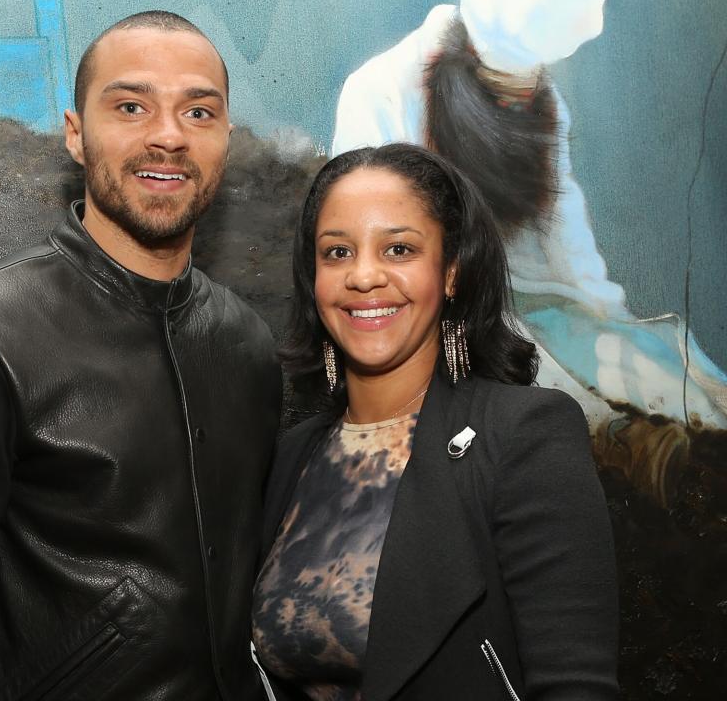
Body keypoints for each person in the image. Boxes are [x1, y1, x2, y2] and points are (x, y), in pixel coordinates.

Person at [0, 11, 281, 700]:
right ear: (75, 133)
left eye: (199, 111)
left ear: (224, 141)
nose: (167, 135)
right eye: (130, 106)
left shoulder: (247, 342)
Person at [251, 144, 618, 700]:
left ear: (450, 272)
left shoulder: (523, 435)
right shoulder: (293, 455)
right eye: (337, 252)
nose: (364, 276)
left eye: (398, 248)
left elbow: (576, 686)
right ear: (314, 278)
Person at [330, 0, 727, 429]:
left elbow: (563, 223)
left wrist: (607, 313)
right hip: (428, 303)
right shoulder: (380, 93)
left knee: (657, 369)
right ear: (470, 64)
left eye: (527, 91)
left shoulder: (541, 99)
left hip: (522, 293)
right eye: (504, 96)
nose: (518, 101)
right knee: (558, 399)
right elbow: (372, 241)